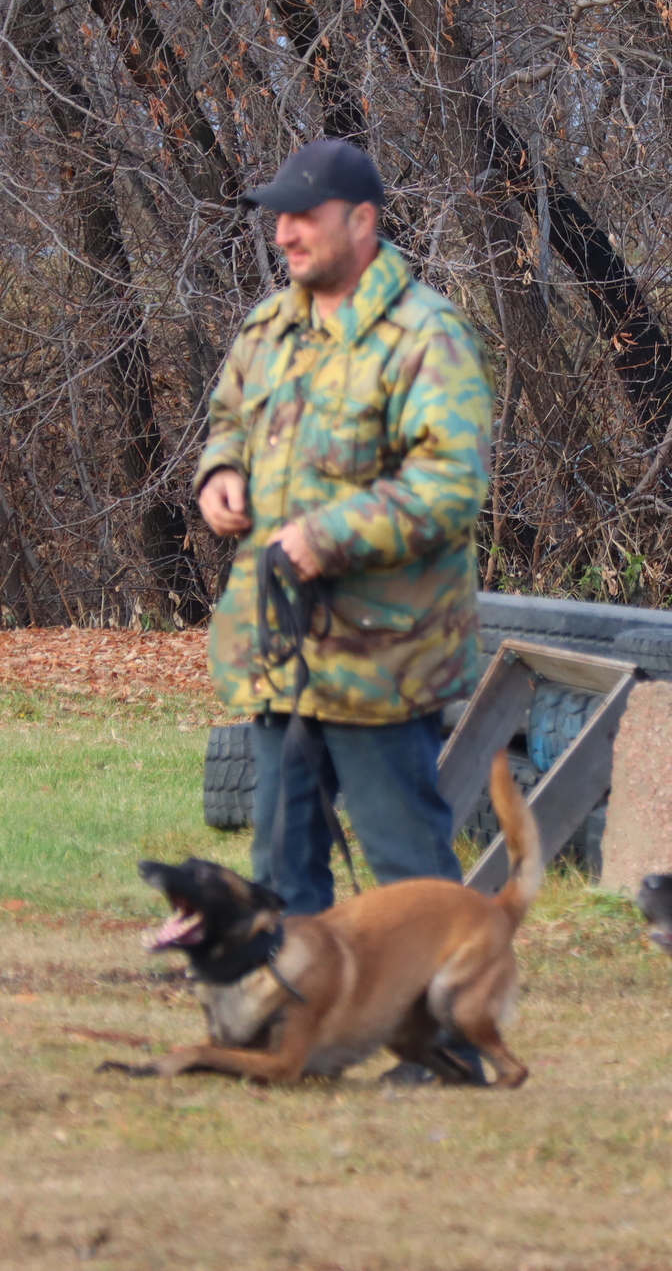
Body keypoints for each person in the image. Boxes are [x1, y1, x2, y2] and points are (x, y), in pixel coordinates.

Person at [194, 139, 492, 920]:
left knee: (409, 882)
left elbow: (450, 485)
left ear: (363, 221)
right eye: (277, 220)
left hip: (381, 660)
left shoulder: (426, 337)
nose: (284, 235)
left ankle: (442, 1039)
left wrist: (330, 535)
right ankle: (297, 1031)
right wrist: (220, 473)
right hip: (282, 655)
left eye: (303, 218)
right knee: (280, 871)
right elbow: (227, 417)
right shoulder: (269, 329)